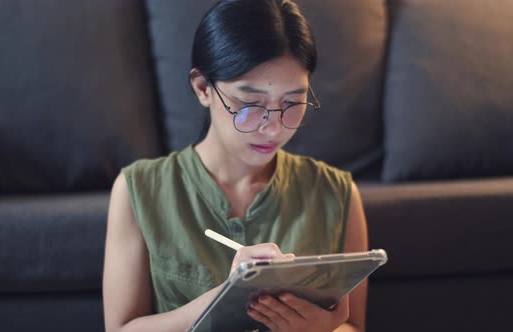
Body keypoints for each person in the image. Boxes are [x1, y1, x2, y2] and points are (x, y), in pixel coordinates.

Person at [102, 0, 369, 331]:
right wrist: (224, 298)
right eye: (250, 104)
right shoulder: (138, 190)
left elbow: (354, 326)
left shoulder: (337, 194)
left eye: (292, 103)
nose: (273, 127)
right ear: (203, 89)